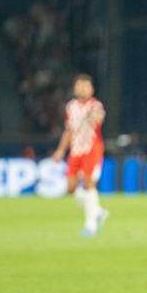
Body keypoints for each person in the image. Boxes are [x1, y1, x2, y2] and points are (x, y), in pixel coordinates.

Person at [52, 74, 108, 236]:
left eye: (85, 86)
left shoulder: (95, 105)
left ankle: (90, 225)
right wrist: (61, 150)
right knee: (70, 188)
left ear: (91, 89)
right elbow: (69, 130)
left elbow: (99, 118)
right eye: (80, 86)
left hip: (92, 148)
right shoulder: (71, 107)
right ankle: (97, 211)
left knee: (89, 183)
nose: (82, 89)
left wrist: (93, 117)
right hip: (76, 150)